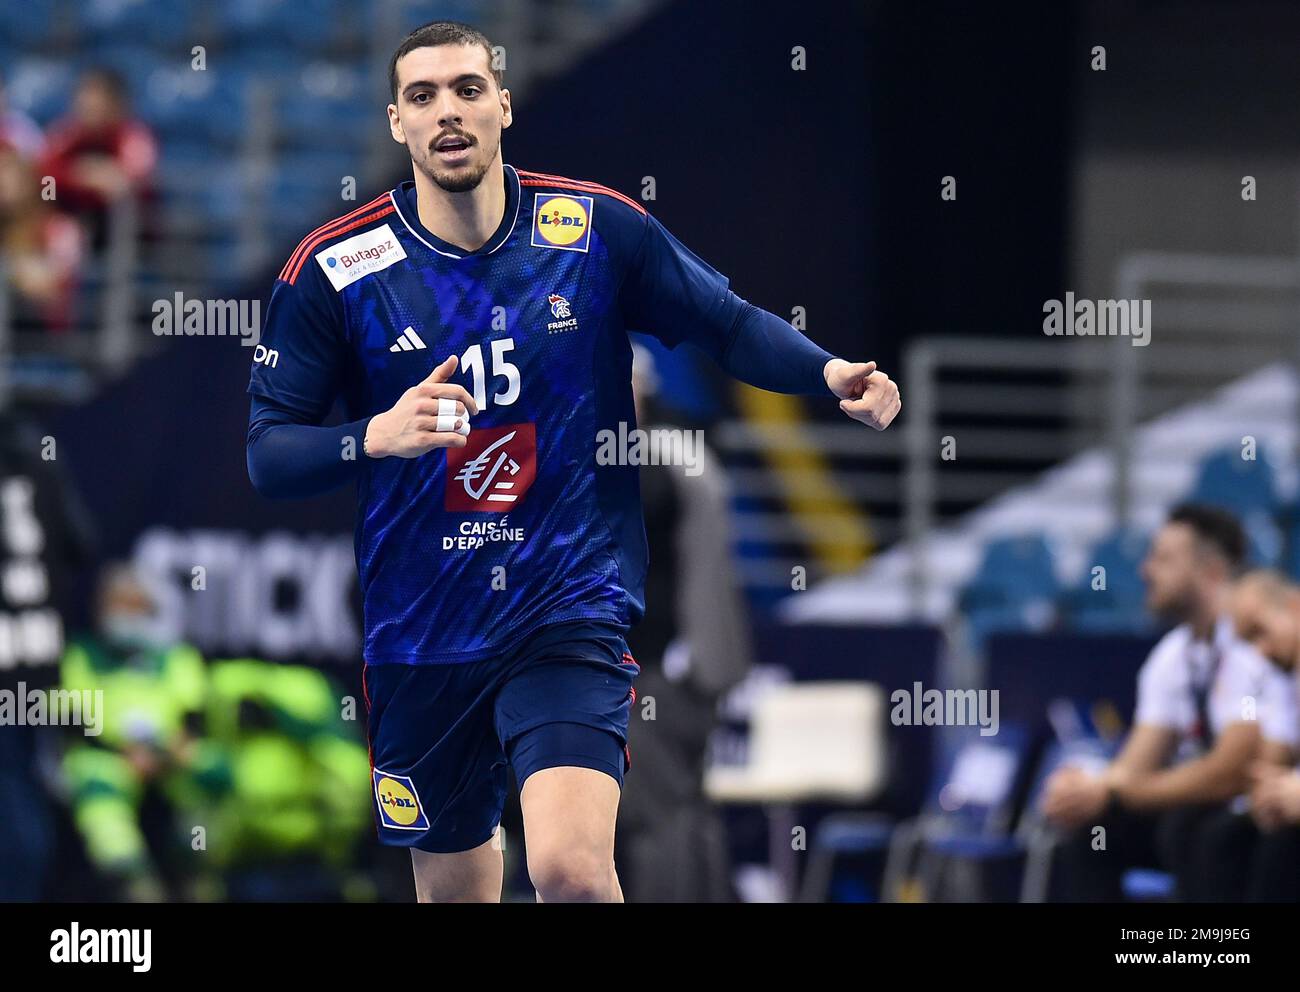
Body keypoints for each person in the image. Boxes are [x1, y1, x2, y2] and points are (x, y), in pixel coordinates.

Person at [245, 19, 900, 904]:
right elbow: (269, 453)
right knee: (457, 892)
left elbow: (728, 322)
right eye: (423, 96)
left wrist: (827, 372)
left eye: (468, 90)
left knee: (572, 872)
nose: (449, 112)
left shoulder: (592, 230)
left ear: (503, 106)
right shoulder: (334, 269)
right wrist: (376, 434)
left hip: (565, 605)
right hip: (420, 630)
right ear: (397, 122)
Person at [1041, 504, 1296, 901]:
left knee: (1204, 832)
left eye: (1162, 559)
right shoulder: (1173, 655)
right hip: (1213, 807)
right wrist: (1092, 788)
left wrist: (1117, 792)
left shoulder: (1252, 644)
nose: (1145, 571)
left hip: (1236, 811)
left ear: (1211, 572)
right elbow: (1136, 762)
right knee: (1097, 831)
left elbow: (1232, 771)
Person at [1226, 569, 1300, 900]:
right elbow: (1271, 764)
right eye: (1249, 640)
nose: (1261, 651)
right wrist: (1271, 792)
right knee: (1223, 833)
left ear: (1294, 607)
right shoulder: (1286, 681)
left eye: (1261, 632)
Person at [39, 68, 157, 251]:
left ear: (115, 105)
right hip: (74, 218)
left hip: (130, 233)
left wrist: (106, 180)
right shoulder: (67, 132)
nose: (88, 111)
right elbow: (45, 173)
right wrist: (83, 176)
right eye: (84, 105)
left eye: (96, 106)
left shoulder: (133, 135)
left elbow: (131, 183)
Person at [0, 144, 83, 331]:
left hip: (40, 338)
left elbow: (48, 287)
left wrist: (13, 268)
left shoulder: (60, 228)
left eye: (8, 180)